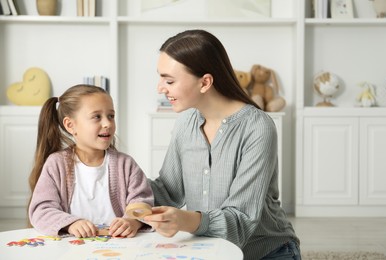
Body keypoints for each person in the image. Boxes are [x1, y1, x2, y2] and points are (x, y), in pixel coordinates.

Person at [142, 29, 301, 259]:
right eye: (160, 78)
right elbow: (169, 190)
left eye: (169, 80)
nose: (160, 87)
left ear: (205, 82)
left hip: (266, 251)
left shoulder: (258, 127)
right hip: (211, 249)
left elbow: (241, 220)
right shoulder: (186, 123)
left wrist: (185, 219)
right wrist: (120, 175)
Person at [28, 84, 154, 238]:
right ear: (70, 125)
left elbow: (142, 200)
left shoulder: (126, 165)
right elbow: (41, 210)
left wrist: (132, 222)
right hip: (71, 249)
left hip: (120, 248)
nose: (107, 123)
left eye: (111, 116)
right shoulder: (56, 164)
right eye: (96, 117)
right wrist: (71, 224)